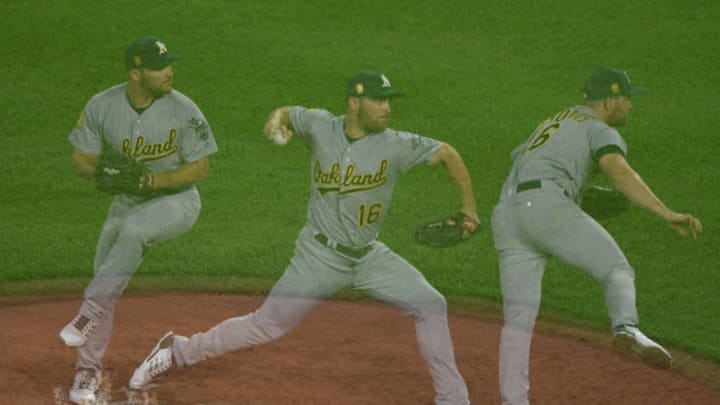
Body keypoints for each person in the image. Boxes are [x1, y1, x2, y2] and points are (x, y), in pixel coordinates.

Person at [129, 71, 480, 405]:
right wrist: (275, 123)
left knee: (431, 304)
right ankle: (176, 350)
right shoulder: (320, 125)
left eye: (389, 101)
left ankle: (454, 399)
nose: (387, 107)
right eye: (379, 100)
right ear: (355, 103)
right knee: (266, 325)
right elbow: (287, 113)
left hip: (370, 258)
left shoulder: (397, 144)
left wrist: (469, 211)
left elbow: (448, 153)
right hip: (318, 257)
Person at [490, 67, 702, 404]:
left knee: (518, 320)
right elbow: (619, 170)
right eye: (627, 98)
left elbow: (523, 159)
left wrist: (575, 193)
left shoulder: (552, 121)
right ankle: (626, 328)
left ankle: (514, 401)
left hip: (507, 213)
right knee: (616, 269)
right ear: (609, 100)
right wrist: (666, 213)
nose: (631, 104)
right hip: (546, 207)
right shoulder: (598, 129)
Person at [60, 35, 218, 404]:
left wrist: (154, 179)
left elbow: (200, 168)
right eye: (159, 67)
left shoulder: (184, 109)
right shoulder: (102, 106)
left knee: (134, 232)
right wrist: (103, 174)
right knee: (106, 275)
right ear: (135, 73)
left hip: (176, 201)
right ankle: (88, 370)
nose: (169, 72)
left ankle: (89, 311)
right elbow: (81, 159)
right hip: (126, 203)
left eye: (169, 64)